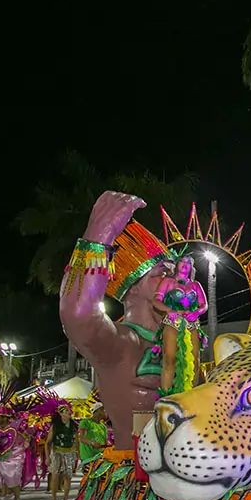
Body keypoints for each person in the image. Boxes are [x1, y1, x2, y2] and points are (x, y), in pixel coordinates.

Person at [60, 194, 178, 463]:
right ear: (132, 289)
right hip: (132, 484)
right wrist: (98, 237)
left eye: (177, 274)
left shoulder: (186, 343)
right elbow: (77, 314)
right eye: (163, 272)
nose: (174, 282)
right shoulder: (121, 341)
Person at [153, 255, 208, 393]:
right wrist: (169, 310)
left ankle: (190, 396)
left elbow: (204, 305)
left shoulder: (195, 285)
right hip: (172, 322)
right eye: (182, 261)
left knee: (194, 361)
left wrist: (196, 313)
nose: (185, 264)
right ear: (177, 264)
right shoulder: (167, 281)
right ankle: (166, 397)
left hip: (192, 324)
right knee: (170, 359)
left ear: (191, 267)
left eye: (189, 262)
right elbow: (156, 300)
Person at [46, 402, 78, 500]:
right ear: (61, 414)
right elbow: (48, 443)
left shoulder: (73, 425)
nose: (69, 413)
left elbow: (76, 440)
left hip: (69, 452)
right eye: (66, 411)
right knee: (55, 476)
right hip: (57, 452)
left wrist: (78, 454)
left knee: (68, 477)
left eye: (69, 411)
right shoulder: (55, 426)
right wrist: (47, 457)